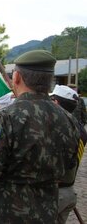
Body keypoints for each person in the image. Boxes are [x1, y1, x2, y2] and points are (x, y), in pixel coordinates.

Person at [0, 50, 80, 223]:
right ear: (49, 81)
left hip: (7, 215)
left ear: (17, 77)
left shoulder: (6, 117)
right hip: (47, 215)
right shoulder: (69, 120)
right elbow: (68, 176)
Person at [50, 85, 87, 224]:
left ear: (56, 102)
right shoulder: (80, 129)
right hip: (68, 192)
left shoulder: (58, 128)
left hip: (55, 194)